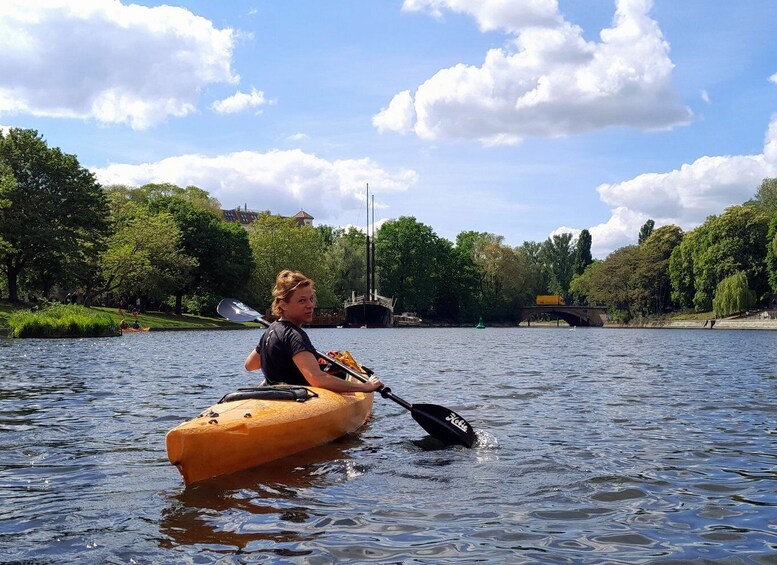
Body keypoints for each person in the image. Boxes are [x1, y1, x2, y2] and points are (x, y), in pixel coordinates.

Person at [244, 270, 383, 393]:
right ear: (283, 304)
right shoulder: (295, 336)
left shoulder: (270, 331)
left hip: (277, 397)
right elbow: (317, 379)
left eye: (311, 299)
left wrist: (283, 363)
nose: (310, 305)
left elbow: (251, 365)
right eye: (302, 301)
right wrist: (365, 387)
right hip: (294, 402)